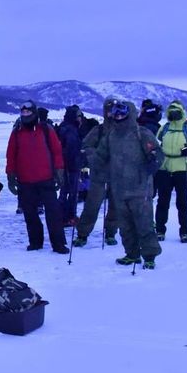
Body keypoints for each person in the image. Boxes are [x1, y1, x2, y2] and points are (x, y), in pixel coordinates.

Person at [97, 100, 162, 269]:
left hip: (140, 188)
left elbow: (157, 153)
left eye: (122, 112)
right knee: (125, 226)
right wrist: (86, 159)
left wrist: (153, 162)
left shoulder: (142, 133)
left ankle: (149, 255)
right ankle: (132, 254)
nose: (118, 115)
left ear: (130, 113)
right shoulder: (111, 136)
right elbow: (101, 156)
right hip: (118, 189)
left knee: (144, 224)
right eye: (115, 112)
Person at [6, 100, 68, 254]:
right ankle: (35, 242)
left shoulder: (46, 130)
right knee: (30, 214)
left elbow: (56, 151)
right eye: (23, 113)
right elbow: (11, 155)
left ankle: (58, 244)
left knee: (53, 213)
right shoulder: (16, 132)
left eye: (28, 112)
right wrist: (10, 175)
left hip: (46, 179)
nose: (25, 115)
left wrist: (59, 171)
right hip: (25, 181)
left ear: (34, 113)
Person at [73, 98, 118, 247]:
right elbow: (86, 145)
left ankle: (111, 232)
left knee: (115, 205)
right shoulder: (98, 130)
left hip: (119, 174)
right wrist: (96, 156)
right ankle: (82, 234)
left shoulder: (125, 131)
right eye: (109, 109)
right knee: (92, 205)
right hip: (99, 174)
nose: (111, 112)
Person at [154, 101, 187, 243]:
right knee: (163, 201)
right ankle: (160, 230)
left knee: (183, 202)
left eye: (176, 111)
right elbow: (156, 144)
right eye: (171, 111)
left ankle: (185, 232)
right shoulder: (164, 128)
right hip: (164, 167)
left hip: (183, 167)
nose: (174, 114)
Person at [57, 105, 84, 225]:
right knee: (71, 192)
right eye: (79, 116)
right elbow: (71, 150)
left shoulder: (64, 127)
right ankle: (68, 217)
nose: (80, 118)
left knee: (65, 191)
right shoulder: (71, 129)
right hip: (71, 166)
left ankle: (62, 216)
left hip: (65, 165)